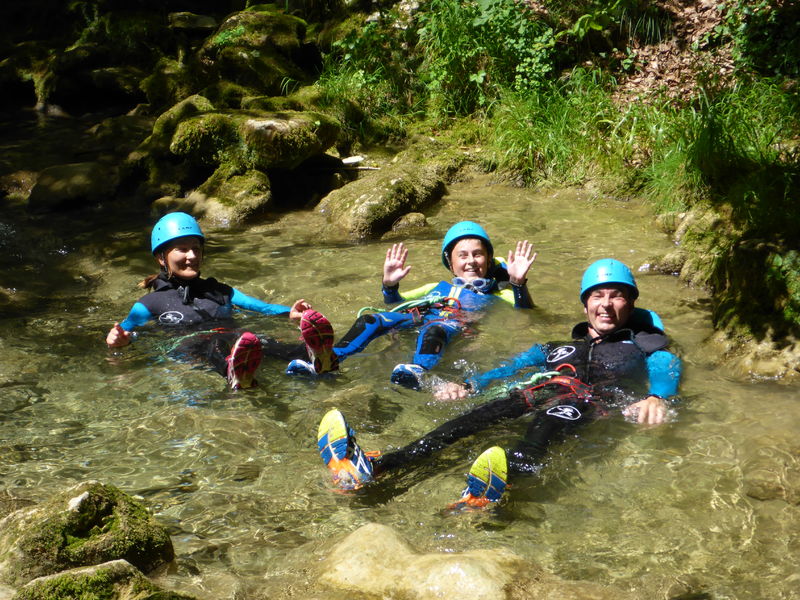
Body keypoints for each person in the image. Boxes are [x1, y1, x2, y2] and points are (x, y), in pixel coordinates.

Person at [315, 258, 683, 509]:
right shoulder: (556, 347)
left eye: (617, 296)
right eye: (597, 296)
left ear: (631, 303)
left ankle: (495, 489)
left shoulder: (643, 343)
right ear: (585, 304)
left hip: (588, 401)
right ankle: (380, 466)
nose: (606, 305)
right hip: (535, 390)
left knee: (544, 428)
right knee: (465, 423)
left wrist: (657, 397)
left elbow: (667, 364)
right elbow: (512, 367)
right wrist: (470, 385)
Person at [287, 221, 537, 389]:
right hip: (416, 317)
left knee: (435, 329)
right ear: (450, 263)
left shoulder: (495, 294)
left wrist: (517, 283)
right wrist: (390, 285)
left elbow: (525, 314)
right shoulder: (434, 287)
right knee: (371, 319)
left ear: (489, 259)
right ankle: (330, 358)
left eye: (478, 254)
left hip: (450, 325)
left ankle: (417, 370)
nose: (471, 261)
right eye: (463, 255)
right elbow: (398, 303)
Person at [105, 212, 335, 389]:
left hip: (238, 345)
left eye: (196, 249)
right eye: (182, 249)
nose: (192, 256)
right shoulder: (150, 304)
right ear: (160, 257)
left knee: (258, 340)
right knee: (214, 345)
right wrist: (118, 341)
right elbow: (123, 334)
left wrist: (291, 313)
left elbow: (262, 308)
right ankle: (234, 372)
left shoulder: (221, 291)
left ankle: (313, 356)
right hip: (194, 353)